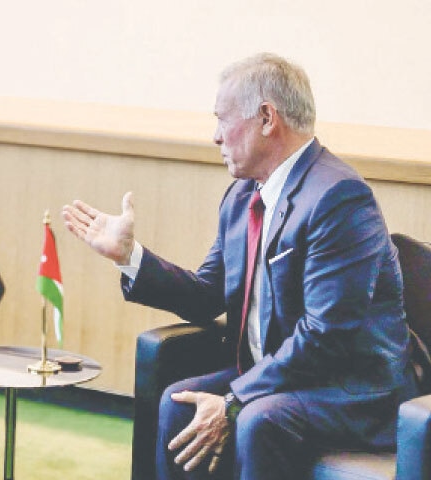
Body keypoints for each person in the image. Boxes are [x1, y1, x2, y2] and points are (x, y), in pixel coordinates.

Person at [62, 53, 418, 480]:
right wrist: (129, 256)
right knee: (180, 403)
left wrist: (233, 400)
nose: (215, 137)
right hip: (281, 378)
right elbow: (206, 294)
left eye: (221, 119)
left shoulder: (338, 196)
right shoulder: (241, 198)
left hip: (350, 390)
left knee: (257, 418)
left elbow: (326, 335)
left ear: (267, 118)